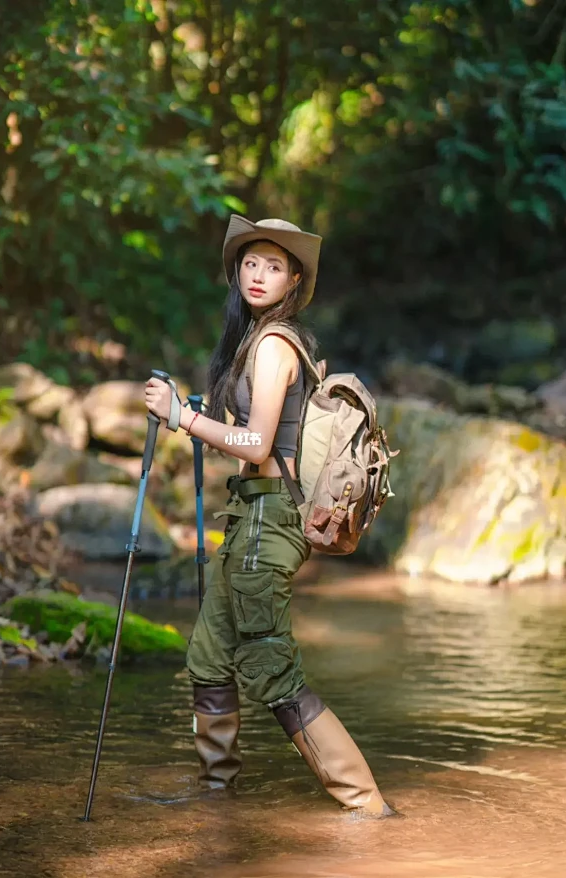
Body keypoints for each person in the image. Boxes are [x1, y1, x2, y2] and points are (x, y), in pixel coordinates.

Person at [144, 215, 394, 818]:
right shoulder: (256, 342)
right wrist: (204, 414)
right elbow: (257, 434)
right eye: (251, 263)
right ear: (238, 272)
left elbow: (257, 446)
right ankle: (214, 798)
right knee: (208, 656)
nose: (258, 275)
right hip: (248, 517)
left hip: (269, 521)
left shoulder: (277, 344)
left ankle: (367, 807)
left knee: (268, 668)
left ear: (293, 279)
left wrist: (181, 417)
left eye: (273, 266)